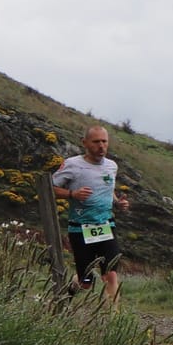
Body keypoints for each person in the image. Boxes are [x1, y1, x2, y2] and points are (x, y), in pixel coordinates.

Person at [50, 124, 132, 302]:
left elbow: (108, 190)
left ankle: (113, 320)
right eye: (96, 142)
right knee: (85, 282)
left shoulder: (112, 166)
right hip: (80, 229)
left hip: (106, 225)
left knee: (110, 273)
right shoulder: (72, 165)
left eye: (104, 141)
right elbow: (49, 188)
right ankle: (72, 288)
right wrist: (72, 194)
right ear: (84, 143)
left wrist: (118, 204)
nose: (101, 146)